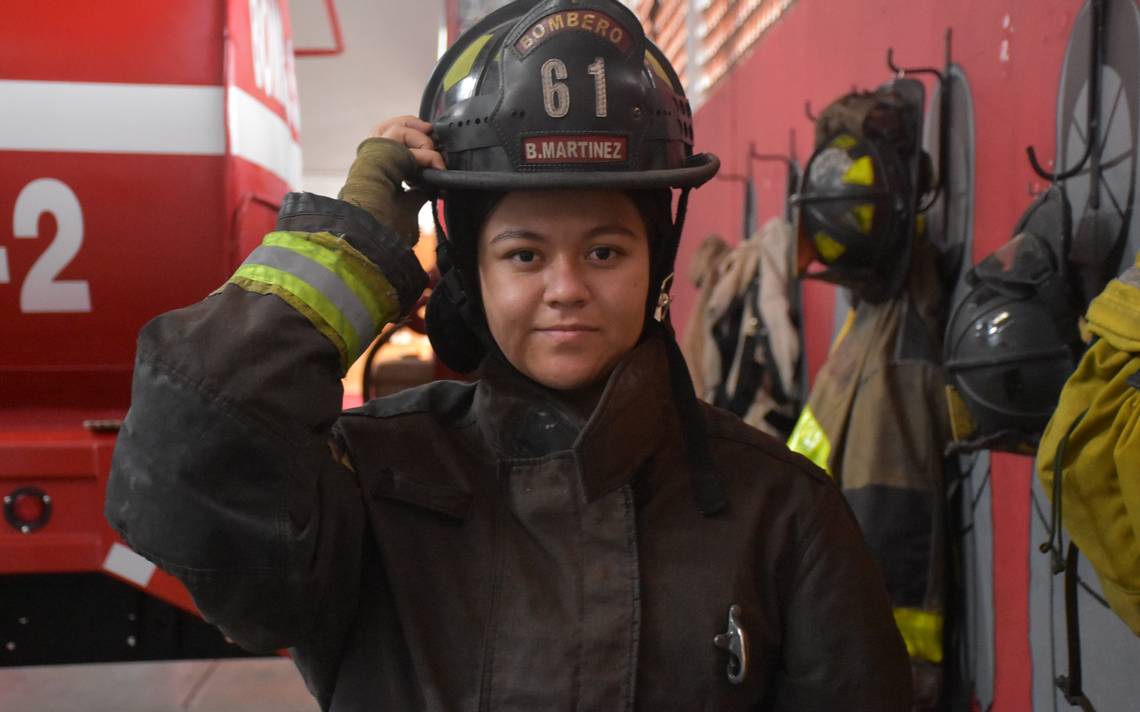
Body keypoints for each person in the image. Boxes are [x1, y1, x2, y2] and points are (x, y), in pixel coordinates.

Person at [104, 0, 911, 709]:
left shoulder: (778, 510)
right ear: (471, 276)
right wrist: (355, 234)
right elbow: (189, 448)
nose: (566, 288)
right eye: (524, 256)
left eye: (605, 253)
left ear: (656, 266)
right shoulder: (370, 486)